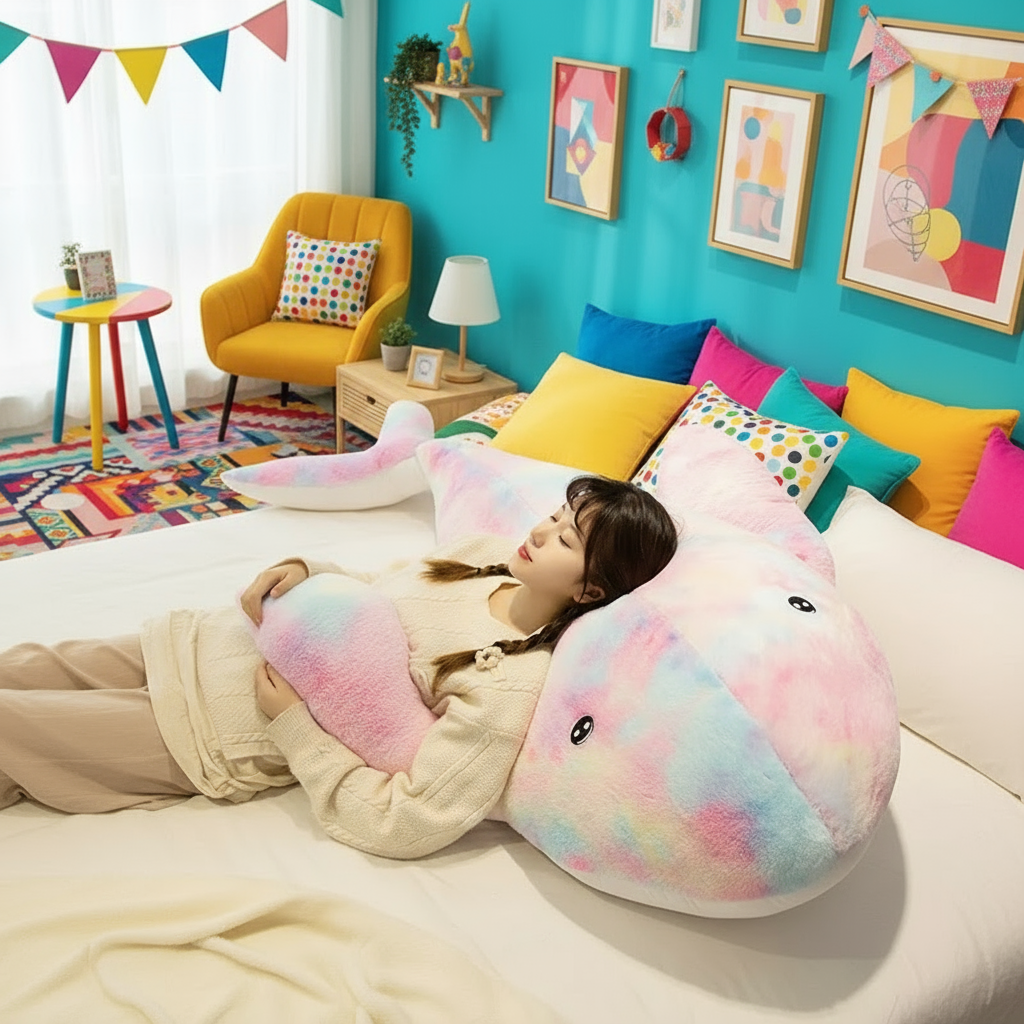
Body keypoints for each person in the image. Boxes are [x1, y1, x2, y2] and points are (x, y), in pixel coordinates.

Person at [0, 476, 677, 858]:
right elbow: (369, 591)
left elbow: (409, 819)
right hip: (200, 642)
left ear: (592, 590)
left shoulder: (506, 684)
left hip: (207, 730)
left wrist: (293, 727)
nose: (537, 533)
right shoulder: (481, 554)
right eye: (553, 514)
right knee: (22, 665)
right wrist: (304, 570)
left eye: (566, 537)